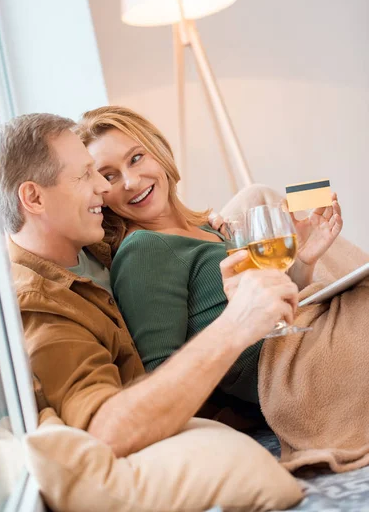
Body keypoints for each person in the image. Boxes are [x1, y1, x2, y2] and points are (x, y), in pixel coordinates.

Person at [0, 113, 298, 459]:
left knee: (258, 197)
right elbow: (104, 433)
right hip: (276, 381)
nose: (106, 189)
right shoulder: (39, 303)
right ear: (33, 199)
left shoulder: (88, 246)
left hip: (280, 362)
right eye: (87, 174)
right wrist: (235, 324)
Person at [75, 106, 343, 405]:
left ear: (158, 150)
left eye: (136, 158)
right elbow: (160, 376)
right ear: (100, 191)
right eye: (109, 176)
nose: (131, 182)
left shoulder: (207, 227)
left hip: (309, 339)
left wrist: (305, 260)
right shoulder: (143, 250)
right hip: (290, 373)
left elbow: (274, 310)